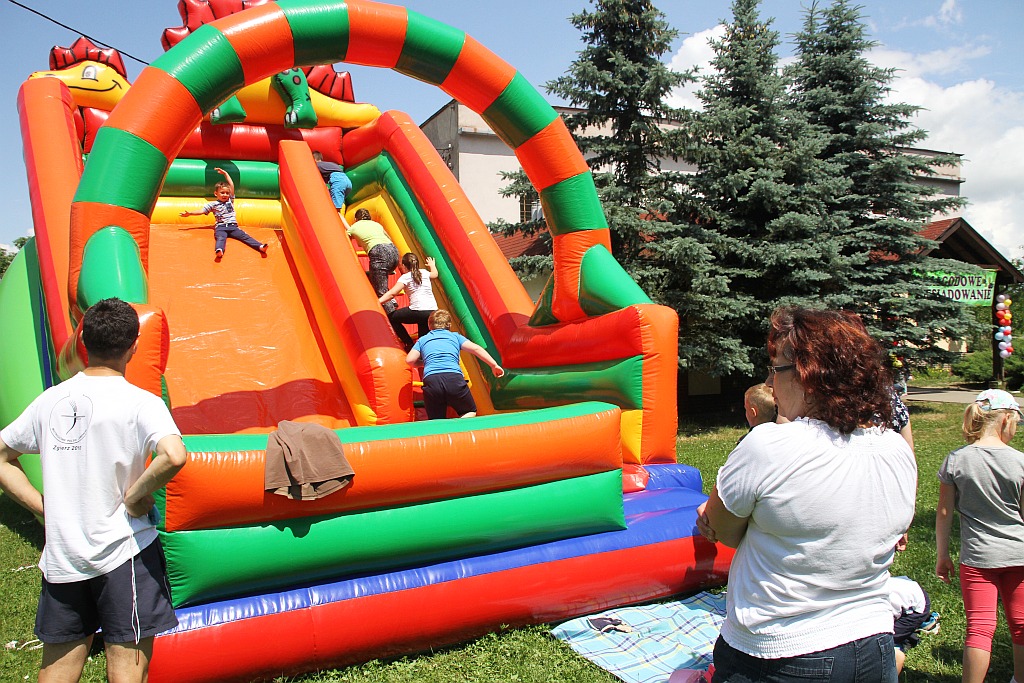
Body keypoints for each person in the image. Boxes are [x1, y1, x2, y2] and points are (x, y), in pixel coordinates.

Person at [696, 306, 916, 683]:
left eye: (776, 370)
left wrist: (719, 515)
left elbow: (724, 531)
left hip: (780, 654)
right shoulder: (896, 448)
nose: (770, 383)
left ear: (807, 376)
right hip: (874, 646)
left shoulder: (768, 445)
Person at [0, 297, 188, 683]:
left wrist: (42, 506)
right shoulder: (141, 403)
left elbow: (2, 456)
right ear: (135, 346)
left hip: (64, 556)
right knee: (127, 671)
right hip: (124, 552)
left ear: (83, 338)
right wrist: (136, 496)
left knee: (57, 669)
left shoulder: (49, 401)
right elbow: (173, 455)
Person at [935, 388, 1024, 683]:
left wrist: (943, 554)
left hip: (976, 558)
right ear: (1006, 420)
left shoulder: (956, 460)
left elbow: (944, 513)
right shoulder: (1020, 462)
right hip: (1019, 557)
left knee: (979, 628)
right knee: (1022, 626)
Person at [406, 309, 504, 419]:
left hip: (431, 380)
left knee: (436, 419)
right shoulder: (455, 337)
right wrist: (493, 365)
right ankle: (459, 429)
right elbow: (476, 349)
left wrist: (423, 363)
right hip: (453, 378)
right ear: (449, 325)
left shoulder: (423, 340)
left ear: (429, 325)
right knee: (469, 411)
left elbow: (410, 360)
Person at [179, 166, 267, 261]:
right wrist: (190, 213)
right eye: (222, 193)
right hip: (221, 227)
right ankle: (219, 250)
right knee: (220, 238)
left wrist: (226, 174)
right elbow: (202, 211)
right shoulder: (213, 204)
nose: (225, 195)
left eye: (226, 193)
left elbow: (231, 185)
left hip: (233, 226)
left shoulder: (230, 201)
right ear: (216, 193)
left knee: (245, 237)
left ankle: (260, 246)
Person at [380, 252, 439, 349]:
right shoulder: (424, 272)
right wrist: (432, 265)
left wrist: (378, 302)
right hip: (432, 311)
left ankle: (408, 343)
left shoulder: (405, 277)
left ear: (403, 265)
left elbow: (392, 293)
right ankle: (422, 353)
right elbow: (435, 274)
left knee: (392, 318)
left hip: (418, 310)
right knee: (423, 336)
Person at [347, 208, 400, 313]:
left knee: (380, 291)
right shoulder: (376, 224)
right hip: (393, 252)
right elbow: (388, 237)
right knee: (374, 277)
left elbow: (345, 239)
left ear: (356, 218)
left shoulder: (354, 227)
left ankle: (392, 317)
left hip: (378, 252)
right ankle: (392, 300)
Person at [887, 574, 938, 674]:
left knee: (883, 644)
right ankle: (911, 633)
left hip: (914, 606)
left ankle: (901, 643)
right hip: (905, 591)